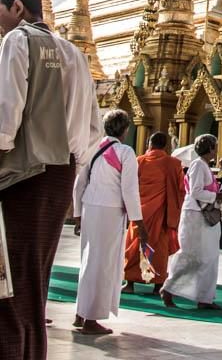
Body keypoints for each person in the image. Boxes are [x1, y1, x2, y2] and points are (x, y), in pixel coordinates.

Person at [0, 0, 101, 360]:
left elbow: (5, 117)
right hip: (62, 173)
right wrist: (69, 161)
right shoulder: (75, 53)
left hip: (22, 173)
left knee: (7, 280)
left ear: (18, 9)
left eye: (0, 13)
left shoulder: (18, 41)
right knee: (33, 278)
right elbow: (92, 130)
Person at [73, 109, 146, 335]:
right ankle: (91, 320)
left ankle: (80, 312)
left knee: (88, 260)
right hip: (110, 211)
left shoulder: (92, 148)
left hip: (90, 208)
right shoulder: (125, 152)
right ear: (125, 130)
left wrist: (77, 214)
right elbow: (130, 190)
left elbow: (79, 183)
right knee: (102, 263)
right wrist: (139, 223)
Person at [161, 134, 222, 310]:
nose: (216, 150)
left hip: (204, 215)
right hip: (195, 215)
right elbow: (195, 192)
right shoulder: (198, 165)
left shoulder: (205, 166)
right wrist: (218, 195)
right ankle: (168, 289)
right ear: (209, 149)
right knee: (190, 255)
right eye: (215, 146)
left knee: (209, 257)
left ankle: (205, 297)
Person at [122, 131, 185, 294]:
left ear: (149, 144)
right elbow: (181, 190)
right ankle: (158, 285)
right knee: (159, 248)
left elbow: (129, 186)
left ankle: (130, 283)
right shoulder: (174, 164)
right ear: (165, 146)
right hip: (161, 214)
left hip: (139, 213)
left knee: (135, 245)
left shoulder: (139, 161)